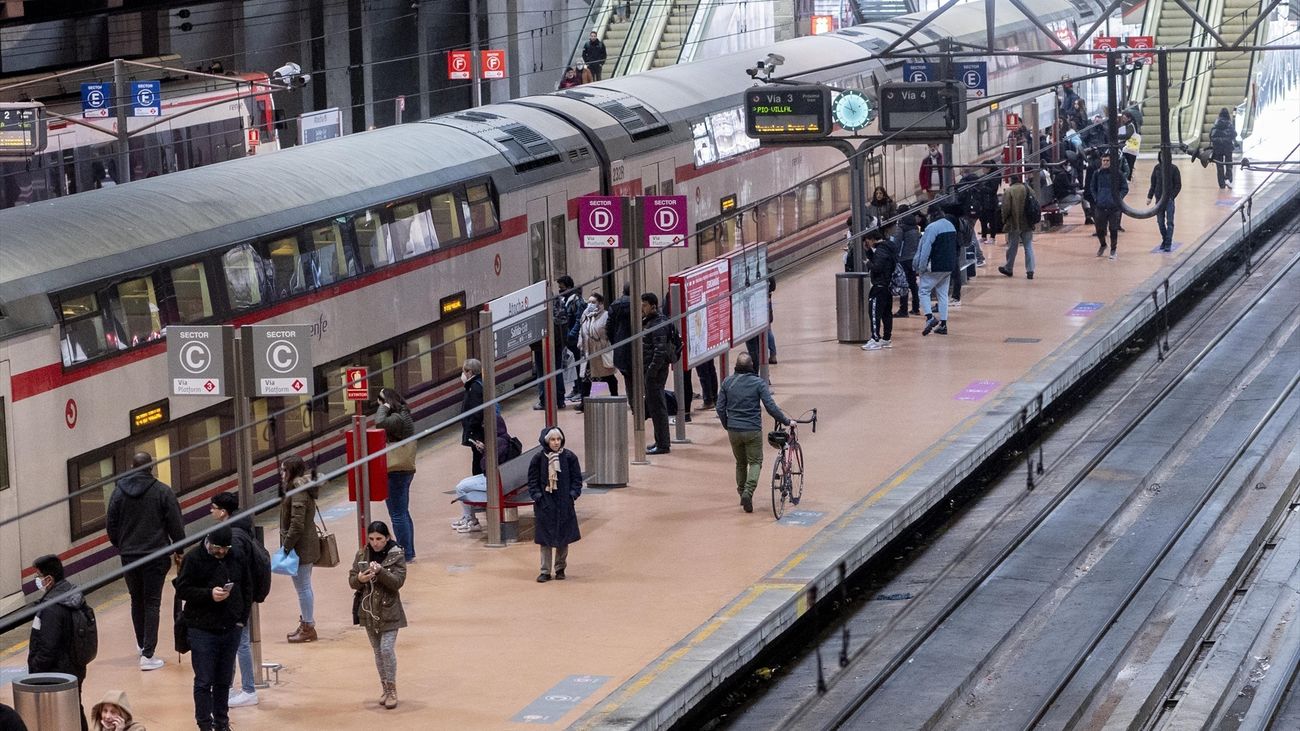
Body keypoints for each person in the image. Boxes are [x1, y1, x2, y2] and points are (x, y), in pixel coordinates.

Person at [106, 452, 185, 672]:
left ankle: (142, 646)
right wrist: (179, 549)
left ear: (132, 466)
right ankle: (148, 655)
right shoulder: (162, 491)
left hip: (129, 557)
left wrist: (123, 546)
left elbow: (111, 526)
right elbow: (175, 524)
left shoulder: (118, 492)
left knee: (136, 600)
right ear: (152, 468)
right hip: (156, 556)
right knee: (152, 603)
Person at [175, 525, 253, 731]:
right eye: (218, 548)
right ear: (208, 542)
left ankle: (222, 722)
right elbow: (182, 589)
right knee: (203, 680)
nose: (221, 553)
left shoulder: (236, 555)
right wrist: (209, 594)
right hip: (201, 629)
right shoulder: (193, 558)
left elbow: (247, 587)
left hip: (230, 628)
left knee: (223, 680)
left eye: (225, 549)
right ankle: (204, 724)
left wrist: (241, 620)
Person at [208, 493, 269, 708]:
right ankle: (234, 688)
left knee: (239, 643)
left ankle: (248, 689)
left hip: (238, 599)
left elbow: (236, 573)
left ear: (224, 512)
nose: (210, 511)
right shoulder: (242, 529)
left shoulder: (234, 538)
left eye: (213, 507)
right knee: (237, 643)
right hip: (242, 597)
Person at [716, 354, 790, 512]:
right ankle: (748, 493)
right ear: (752, 366)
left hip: (733, 430)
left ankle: (742, 492)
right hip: (752, 430)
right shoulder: (758, 383)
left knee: (740, 463)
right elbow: (770, 407)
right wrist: (786, 421)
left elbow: (720, 408)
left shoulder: (727, 382)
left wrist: (727, 425)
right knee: (755, 462)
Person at [28, 554, 90, 731]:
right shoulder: (72, 595)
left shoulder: (51, 608)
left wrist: (34, 671)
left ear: (48, 579)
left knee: (59, 716)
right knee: (75, 709)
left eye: (38, 576)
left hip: (55, 672)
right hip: (75, 666)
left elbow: (48, 647)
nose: (37, 581)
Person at [349, 521, 407, 709]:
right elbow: (351, 579)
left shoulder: (396, 555)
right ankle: (384, 686)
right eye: (372, 539)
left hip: (390, 610)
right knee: (377, 651)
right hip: (369, 611)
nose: (375, 543)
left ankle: (392, 688)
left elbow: (397, 582)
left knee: (386, 649)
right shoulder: (361, 554)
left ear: (387, 538)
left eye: (379, 539)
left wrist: (380, 572)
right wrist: (359, 579)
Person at [527, 427, 583, 581]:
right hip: (545, 504)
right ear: (546, 441)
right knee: (545, 539)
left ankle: (560, 568)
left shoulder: (570, 457)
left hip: (564, 503)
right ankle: (545, 570)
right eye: (552, 439)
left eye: (558, 439)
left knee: (563, 539)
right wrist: (538, 496)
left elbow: (577, 478)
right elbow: (532, 481)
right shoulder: (538, 459)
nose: (556, 442)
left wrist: (572, 495)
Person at [278, 455, 320, 644]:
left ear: (292, 471)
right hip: (304, 545)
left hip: (300, 548)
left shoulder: (298, 492)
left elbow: (297, 524)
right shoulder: (300, 489)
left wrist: (286, 547)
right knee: (304, 586)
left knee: (303, 588)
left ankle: (308, 627)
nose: (281, 474)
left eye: (284, 470)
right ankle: (306, 622)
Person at [451, 410, 515, 533]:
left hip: (496, 481)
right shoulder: (505, 438)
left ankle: (471, 520)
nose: (484, 428)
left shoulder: (498, 442)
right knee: (463, 483)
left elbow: (485, 465)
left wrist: (484, 452)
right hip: (503, 478)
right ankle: (468, 518)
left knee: (460, 487)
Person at [374, 388, 417, 562]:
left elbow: (379, 422)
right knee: (403, 513)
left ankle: (405, 554)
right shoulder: (403, 415)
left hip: (395, 470)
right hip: (405, 468)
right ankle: (409, 551)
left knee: (397, 515)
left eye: (379, 400)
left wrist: (383, 405)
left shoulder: (397, 418)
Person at [914, 203, 961, 336]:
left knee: (923, 291)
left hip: (934, 266)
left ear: (931, 215)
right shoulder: (950, 225)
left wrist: (921, 267)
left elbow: (926, 249)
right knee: (943, 295)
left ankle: (929, 318)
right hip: (948, 266)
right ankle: (943, 324)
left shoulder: (932, 227)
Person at [640, 292, 673, 455]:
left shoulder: (657, 324)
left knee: (658, 407)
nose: (642, 307)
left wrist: (651, 372)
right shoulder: (651, 322)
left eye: (645, 304)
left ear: (653, 306)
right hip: (653, 370)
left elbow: (659, 352)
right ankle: (660, 441)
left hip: (655, 372)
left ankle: (663, 444)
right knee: (655, 407)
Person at [575, 292, 619, 411]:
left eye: (593, 302)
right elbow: (582, 331)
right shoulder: (585, 316)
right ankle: (584, 402)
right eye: (589, 302)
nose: (590, 304)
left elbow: (609, 332)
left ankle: (615, 397)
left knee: (608, 376)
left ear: (600, 303)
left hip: (601, 351)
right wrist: (580, 343)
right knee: (586, 377)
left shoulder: (606, 316)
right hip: (588, 352)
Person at [864, 221, 901, 350]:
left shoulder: (881, 250)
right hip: (887, 287)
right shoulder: (889, 247)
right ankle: (886, 338)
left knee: (874, 313)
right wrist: (869, 252)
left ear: (872, 239)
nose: (867, 243)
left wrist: (868, 263)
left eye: (867, 240)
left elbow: (877, 267)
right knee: (886, 313)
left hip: (879, 286)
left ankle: (875, 338)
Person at [1088, 152, 1128, 260]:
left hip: (1114, 207)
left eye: (1107, 161)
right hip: (1100, 206)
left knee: (1113, 228)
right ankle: (1103, 244)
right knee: (1100, 229)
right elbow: (1092, 187)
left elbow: (1125, 187)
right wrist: (1097, 198)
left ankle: (1113, 249)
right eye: (1104, 160)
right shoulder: (1097, 174)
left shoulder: (1118, 174)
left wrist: (1118, 198)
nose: (1105, 162)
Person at [998, 176, 1036, 279]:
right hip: (1028, 222)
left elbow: (1005, 208)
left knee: (1012, 247)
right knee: (1028, 246)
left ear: (1011, 181)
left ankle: (1009, 268)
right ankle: (1030, 270)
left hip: (1014, 223)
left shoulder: (1009, 191)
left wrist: (1004, 220)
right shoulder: (1028, 189)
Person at [555, 276, 584, 403]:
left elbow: (578, 320)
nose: (560, 290)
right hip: (568, 339)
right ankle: (576, 388)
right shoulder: (565, 300)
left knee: (578, 365)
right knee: (573, 366)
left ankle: (580, 390)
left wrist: (571, 334)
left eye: (562, 287)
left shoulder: (576, 301)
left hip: (575, 339)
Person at [459, 358, 489, 473]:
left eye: (464, 371)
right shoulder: (479, 383)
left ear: (470, 372)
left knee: (478, 462)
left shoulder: (474, 388)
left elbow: (477, 412)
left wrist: (471, 431)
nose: (462, 375)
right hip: (478, 432)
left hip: (477, 434)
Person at [1147, 155, 1182, 252]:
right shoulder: (1157, 168)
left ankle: (1168, 243)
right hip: (1159, 199)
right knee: (1160, 222)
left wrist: (1172, 196)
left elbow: (1178, 185)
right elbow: (1153, 183)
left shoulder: (1174, 169)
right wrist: (1149, 196)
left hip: (1169, 200)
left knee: (1170, 222)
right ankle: (1165, 239)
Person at [894, 205, 922, 317]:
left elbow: (897, 243)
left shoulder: (901, 227)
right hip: (913, 258)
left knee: (903, 284)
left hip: (903, 259)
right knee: (913, 283)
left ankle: (903, 309)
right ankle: (916, 308)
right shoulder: (915, 226)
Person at [608, 283, 633, 395]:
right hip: (638, 344)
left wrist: (614, 342)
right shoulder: (640, 304)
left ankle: (633, 404)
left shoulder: (614, 305)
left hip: (621, 344)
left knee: (627, 377)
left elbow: (609, 327)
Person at [1210, 107, 1236, 189]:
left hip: (1218, 148)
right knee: (1229, 163)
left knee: (1219, 165)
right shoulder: (1229, 124)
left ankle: (1221, 183)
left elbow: (1211, 135)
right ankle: (1228, 178)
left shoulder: (1216, 124)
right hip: (1227, 147)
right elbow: (1234, 134)